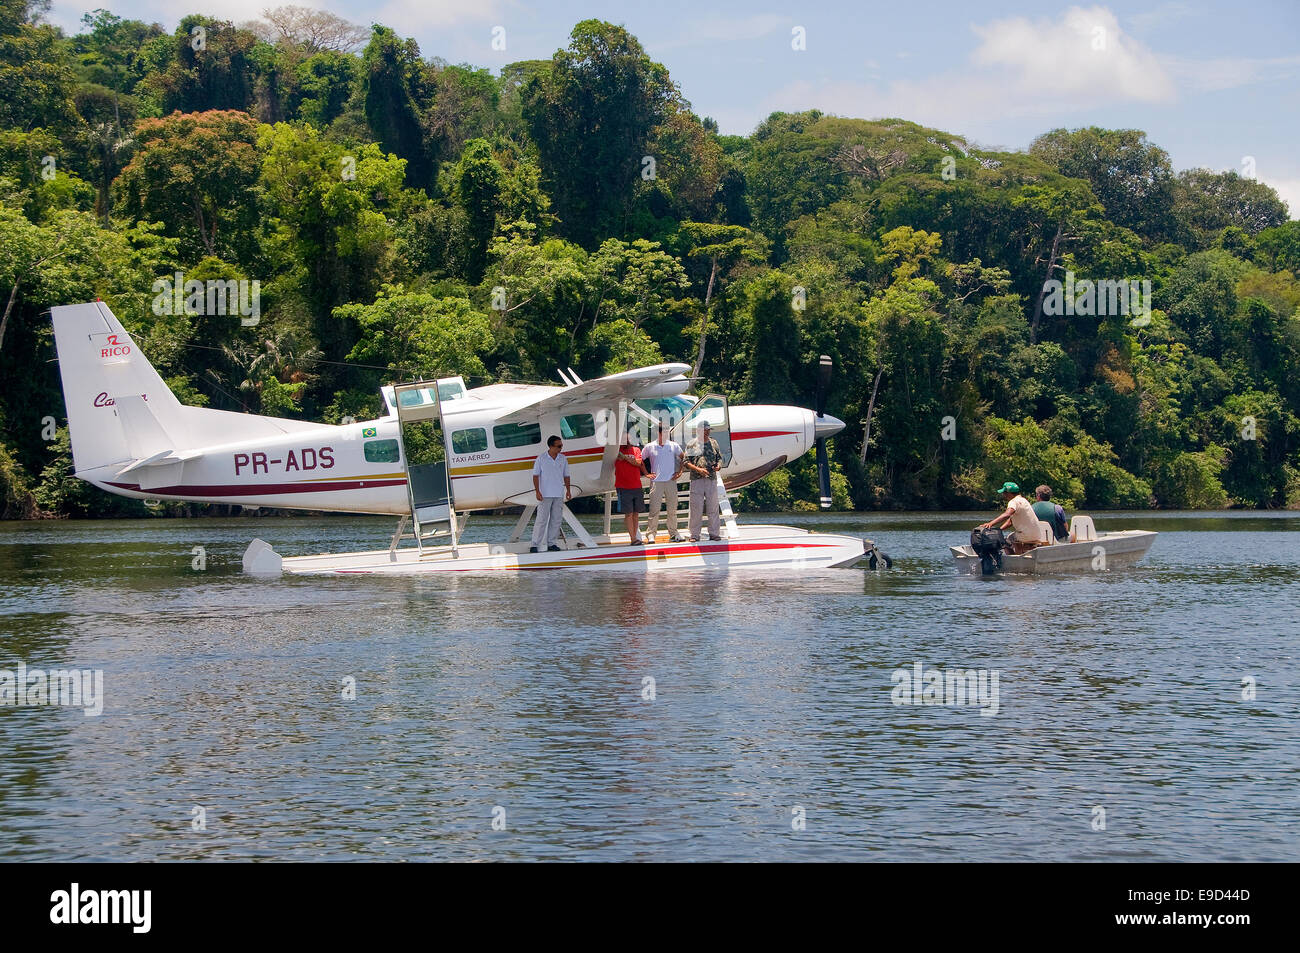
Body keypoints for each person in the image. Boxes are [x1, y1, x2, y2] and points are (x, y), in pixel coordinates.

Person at [642, 423, 684, 543]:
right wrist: (646, 473)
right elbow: (640, 460)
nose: (666, 433)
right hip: (656, 482)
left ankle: (673, 532)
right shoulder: (650, 446)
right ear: (658, 432)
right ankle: (651, 534)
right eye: (664, 431)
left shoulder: (674, 445)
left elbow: (683, 458)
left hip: (671, 481)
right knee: (654, 509)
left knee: (672, 509)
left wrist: (679, 472)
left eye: (667, 431)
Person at [530, 435, 571, 553]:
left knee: (556, 519)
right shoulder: (541, 458)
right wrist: (537, 491)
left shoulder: (563, 458)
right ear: (551, 446)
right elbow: (535, 476)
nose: (561, 448)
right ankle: (534, 544)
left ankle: (552, 543)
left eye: (561, 445)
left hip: (558, 493)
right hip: (545, 493)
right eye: (559, 446)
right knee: (541, 519)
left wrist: (568, 490)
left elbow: (566, 475)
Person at [684, 420, 723, 542]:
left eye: (708, 430)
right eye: (704, 430)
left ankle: (714, 533)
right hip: (697, 479)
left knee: (713, 507)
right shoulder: (691, 444)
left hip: (711, 479)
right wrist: (698, 469)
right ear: (699, 430)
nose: (707, 432)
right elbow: (686, 462)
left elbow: (720, 458)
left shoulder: (714, 443)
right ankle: (694, 535)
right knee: (696, 508)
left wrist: (719, 466)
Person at [980, 481, 1042, 554]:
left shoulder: (1013, 502)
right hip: (1037, 534)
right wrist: (999, 530)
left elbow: (1007, 514)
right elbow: (1010, 522)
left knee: (1004, 541)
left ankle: (1014, 558)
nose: (1004, 495)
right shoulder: (1023, 500)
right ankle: (1020, 554)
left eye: (1004, 493)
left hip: (1025, 535)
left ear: (1009, 493)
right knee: (1013, 537)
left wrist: (990, 523)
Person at [614, 431, 647, 545]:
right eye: (624, 439)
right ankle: (633, 538)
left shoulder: (636, 450)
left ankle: (635, 537)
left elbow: (638, 463)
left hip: (636, 485)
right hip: (623, 486)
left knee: (636, 513)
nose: (626, 441)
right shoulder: (615, 451)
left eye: (627, 439)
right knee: (628, 513)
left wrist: (626, 458)